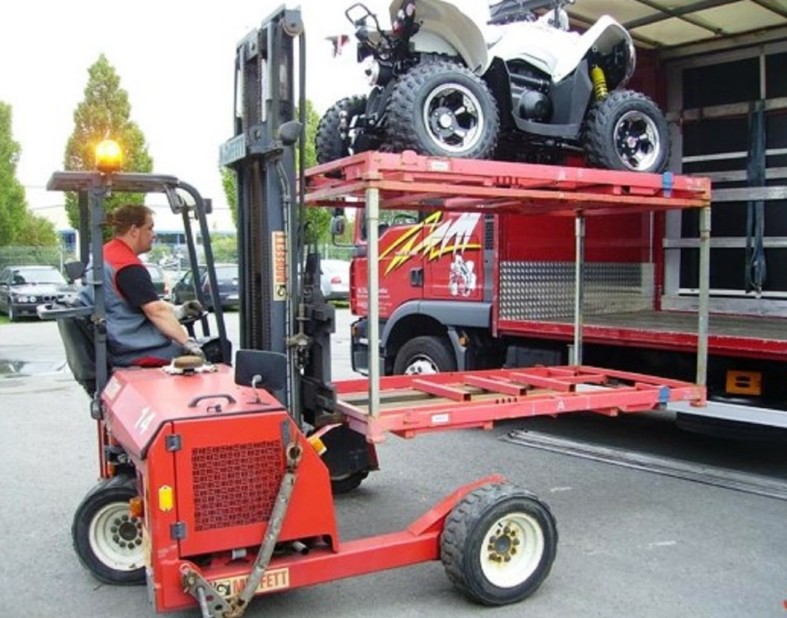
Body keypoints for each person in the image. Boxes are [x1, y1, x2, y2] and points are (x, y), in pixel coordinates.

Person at [79, 203, 204, 367]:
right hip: (133, 349)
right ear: (134, 230)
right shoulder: (127, 266)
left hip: (117, 342)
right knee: (208, 353)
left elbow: (141, 301)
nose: (153, 234)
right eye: (149, 228)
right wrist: (188, 343)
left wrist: (178, 310)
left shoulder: (106, 255)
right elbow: (156, 312)